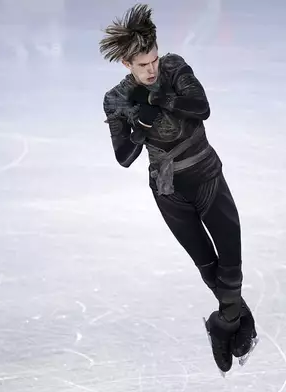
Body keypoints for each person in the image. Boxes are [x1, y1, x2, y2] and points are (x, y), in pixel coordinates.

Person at [98, 3, 257, 373]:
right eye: (142, 65)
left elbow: (201, 107)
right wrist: (139, 124)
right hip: (169, 191)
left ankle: (225, 322)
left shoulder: (174, 68)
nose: (152, 69)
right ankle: (230, 318)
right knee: (207, 267)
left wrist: (160, 99)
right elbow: (123, 157)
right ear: (126, 64)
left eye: (153, 60)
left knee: (231, 269)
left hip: (206, 176)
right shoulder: (116, 99)